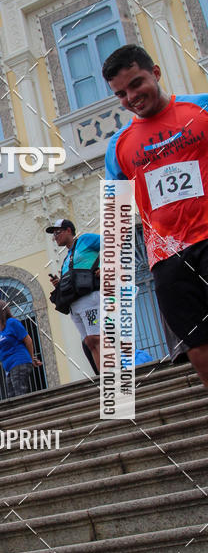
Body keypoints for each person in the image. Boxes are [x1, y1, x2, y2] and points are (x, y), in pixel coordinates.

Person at [103, 44, 208, 388]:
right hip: (167, 261)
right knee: (198, 346)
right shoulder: (119, 145)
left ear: (156, 73)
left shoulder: (201, 108)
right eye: (121, 93)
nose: (131, 97)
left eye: (136, 84)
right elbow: (115, 213)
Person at [47, 218, 101, 372]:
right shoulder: (67, 258)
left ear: (68, 230)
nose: (55, 237)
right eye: (53, 235)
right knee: (89, 342)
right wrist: (60, 283)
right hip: (75, 304)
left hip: (89, 299)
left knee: (96, 338)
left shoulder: (84, 240)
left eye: (57, 232)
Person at [0, 301, 41, 396]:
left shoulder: (11, 323)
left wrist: (31, 357)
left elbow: (28, 340)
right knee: (12, 397)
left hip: (19, 362)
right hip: (9, 368)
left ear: (1, 311)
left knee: (19, 393)